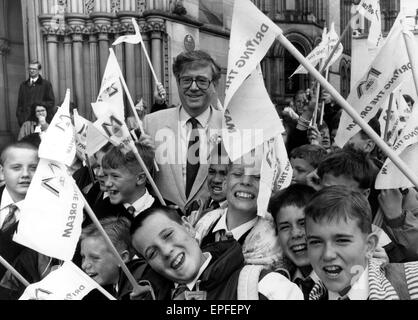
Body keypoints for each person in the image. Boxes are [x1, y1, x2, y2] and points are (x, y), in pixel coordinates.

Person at [130, 206, 303, 300]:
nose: (166, 251)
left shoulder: (263, 285)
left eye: (168, 235)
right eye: (152, 253)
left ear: (188, 227)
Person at [143, 50, 223, 213]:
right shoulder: (151, 124)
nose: (193, 87)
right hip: (165, 226)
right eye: (186, 80)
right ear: (178, 83)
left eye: (202, 81)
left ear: (214, 85)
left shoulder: (230, 126)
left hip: (213, 227)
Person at [305, 186, 418, 300]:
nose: (327, 255)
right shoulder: (302, 294)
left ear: (369, 245)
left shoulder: (412, 281)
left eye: (342, 240)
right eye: (316, 242)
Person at [194, 148, 283, 270]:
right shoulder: (205, 222)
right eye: (238, 174)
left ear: (270, 188)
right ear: (225, 181)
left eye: (257, 177)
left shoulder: (272, 242)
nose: (246, 182)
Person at [80, 216, 168, 300]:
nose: (84, 265)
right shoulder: (108, 289)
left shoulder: (146, 282)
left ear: (122, 257)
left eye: (95, 258)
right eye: (83, 257)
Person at [269, 184, 320, 300]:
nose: (295, 234)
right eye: (285, 227)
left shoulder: (343, 283)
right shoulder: (275, 283)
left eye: (303, 223)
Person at [0, 142, 39, 280]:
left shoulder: (50, 211)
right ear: (1, 172)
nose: (25, 174)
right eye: (16, 168)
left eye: (33, 168)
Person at [100, 139, 158, 221]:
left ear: (140, 178)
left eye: (115, 176)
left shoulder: (165, 211)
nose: (107, 183)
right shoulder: (101, 210)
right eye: (106, 175)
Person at [16, 61, 55, 127]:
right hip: (26, 122)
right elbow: (20, 104)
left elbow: (51, 102)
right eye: (30, 69)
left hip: (41, 122)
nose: (31, 71)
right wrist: (20, 118)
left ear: (39, 70)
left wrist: (38, 104)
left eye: (34, 69)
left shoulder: (46, 84)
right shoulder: (23, 85)